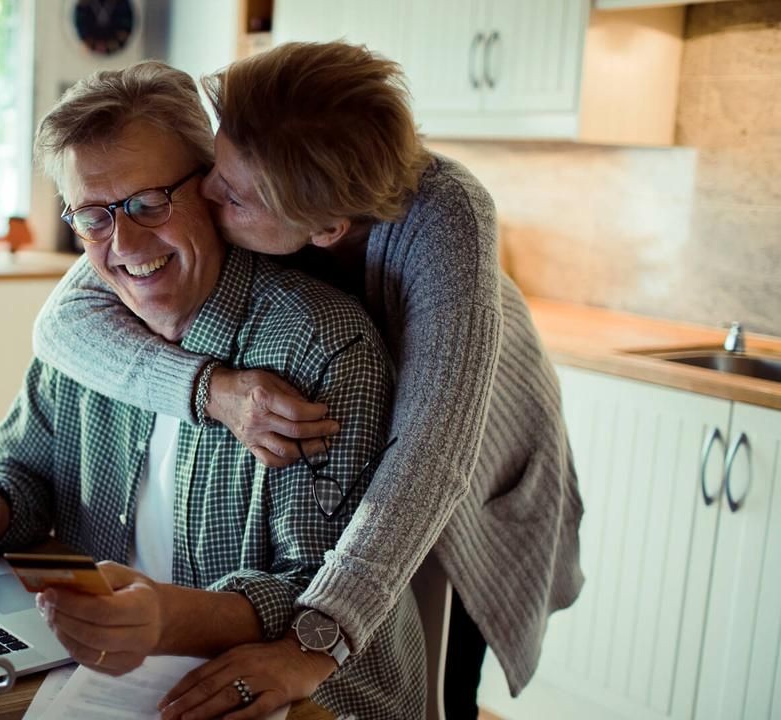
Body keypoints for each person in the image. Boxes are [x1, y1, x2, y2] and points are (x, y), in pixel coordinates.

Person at [31, 42, 585, 720]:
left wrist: (310, 649)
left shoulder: (444, 221)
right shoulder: (247, 193)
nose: (203, 192)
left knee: (445, 668)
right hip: (406, 450)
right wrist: (216, 390)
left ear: (324, 229)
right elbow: (60, 322)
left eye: (228, 193)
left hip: (478, 467)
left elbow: (431, 462)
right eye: (213, 166)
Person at [0, 61, 425, 719]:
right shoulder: (88, 331)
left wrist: (169, 619)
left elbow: (323, 593)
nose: (124, 243)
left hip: (301, 695)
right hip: (111, 678)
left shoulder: (319, 348)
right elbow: (22, 465)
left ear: (215, 191)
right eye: (94, 216)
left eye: (148, 203)